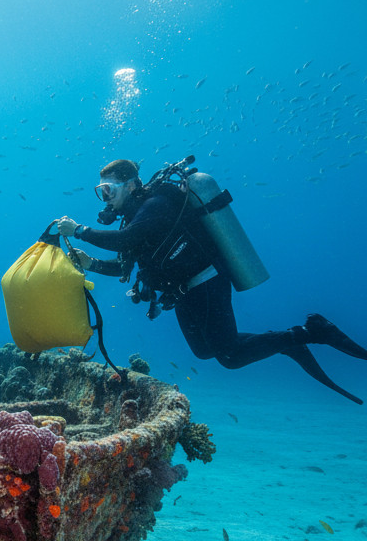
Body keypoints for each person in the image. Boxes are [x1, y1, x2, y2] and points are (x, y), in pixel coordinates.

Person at [56, 158, 367, 403]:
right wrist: (91, 263)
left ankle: (307, 333)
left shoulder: (157, 203)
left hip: (207, 280)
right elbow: (124, 265)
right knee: (205, 352)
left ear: (131, 184)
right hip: (182, 292)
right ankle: (285, 341)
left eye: (108, 190)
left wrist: (79, 230)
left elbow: (126, 240)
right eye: (101, 192)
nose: (105, 198)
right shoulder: (133, 217)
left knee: (229, 356)